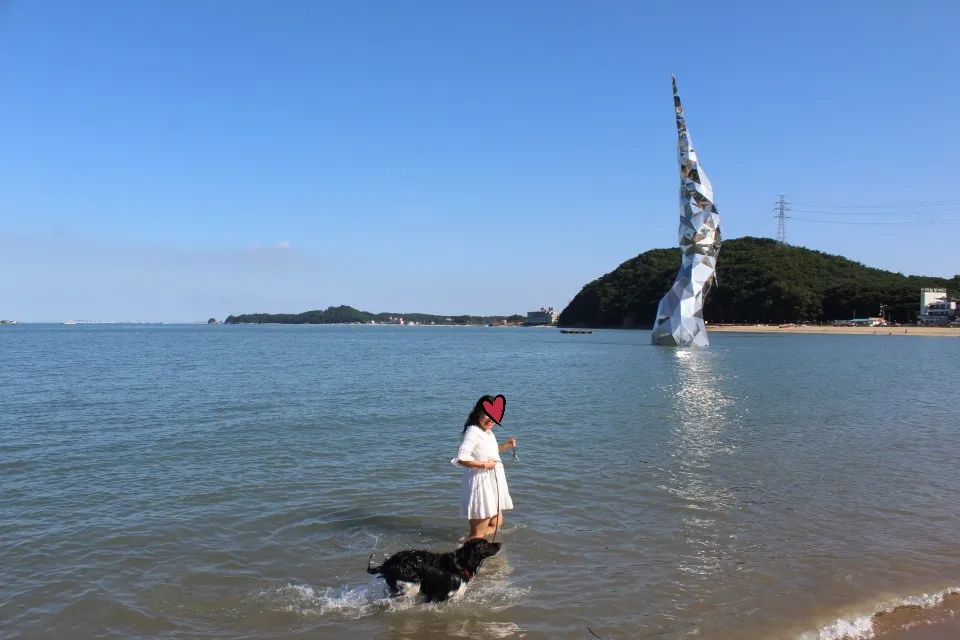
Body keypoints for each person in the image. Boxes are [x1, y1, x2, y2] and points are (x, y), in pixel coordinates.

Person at [451, 395, 517, 541]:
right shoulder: (473, 431)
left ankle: (473, 548)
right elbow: (462, 458)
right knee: (478, 534)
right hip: (480, 485)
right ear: (478, 412)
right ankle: (466, 553)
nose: (491, 419)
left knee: (496, 522)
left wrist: (506, 446)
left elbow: (488, 453)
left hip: (492, 483)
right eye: (487, 414)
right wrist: (485, 465)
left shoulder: (487, 431)